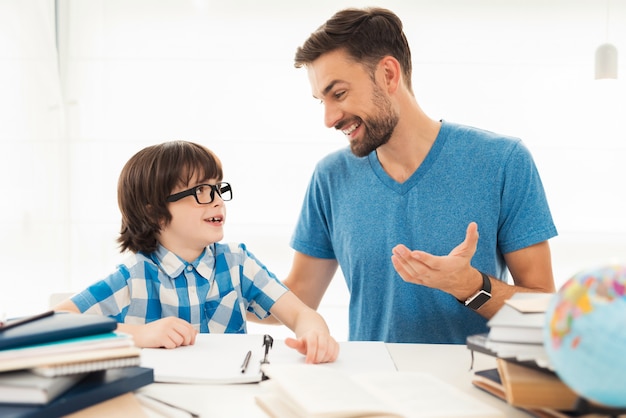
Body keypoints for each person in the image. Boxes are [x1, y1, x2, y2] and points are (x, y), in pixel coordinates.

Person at [280, 7, 557, 344]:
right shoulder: (331, 177)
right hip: (369, 389)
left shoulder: (502, 161)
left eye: (338, 94)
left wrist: (470, 286)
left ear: (388, 75)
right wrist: (212, 281)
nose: (328, 118)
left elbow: (545, 309)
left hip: (471, 390)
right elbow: (298, 296)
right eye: (320, 100)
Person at [55, 140, 339, 364]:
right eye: (202, 191)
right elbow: (59, 322)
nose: (217, 201)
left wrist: (315, 335)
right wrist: (139, 334)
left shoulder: (237, 262)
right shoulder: (135, 276)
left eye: (218, 189)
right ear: (155, 214)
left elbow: (301, 314)